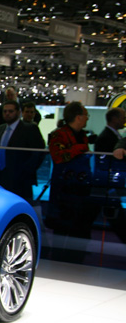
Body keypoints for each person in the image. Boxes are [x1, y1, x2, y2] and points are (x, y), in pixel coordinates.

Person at [45, 102, 98, 249]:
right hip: (64, 191)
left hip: (81, 188)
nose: (87, 118)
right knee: (61, 229)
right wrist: (80, 148)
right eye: (86, 115)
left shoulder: (83, 135)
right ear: (78, 117)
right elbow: (58, 157)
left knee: (79, 228)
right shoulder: (59, 134)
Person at [0, 100, 46, 201]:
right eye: (5, 111)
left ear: (18, 112)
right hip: (0, 176)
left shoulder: (29, 128)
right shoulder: (0, 128)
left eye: (10, 111)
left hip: (21, 179)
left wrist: (26, 170)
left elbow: (38, 153)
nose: (7, 114)